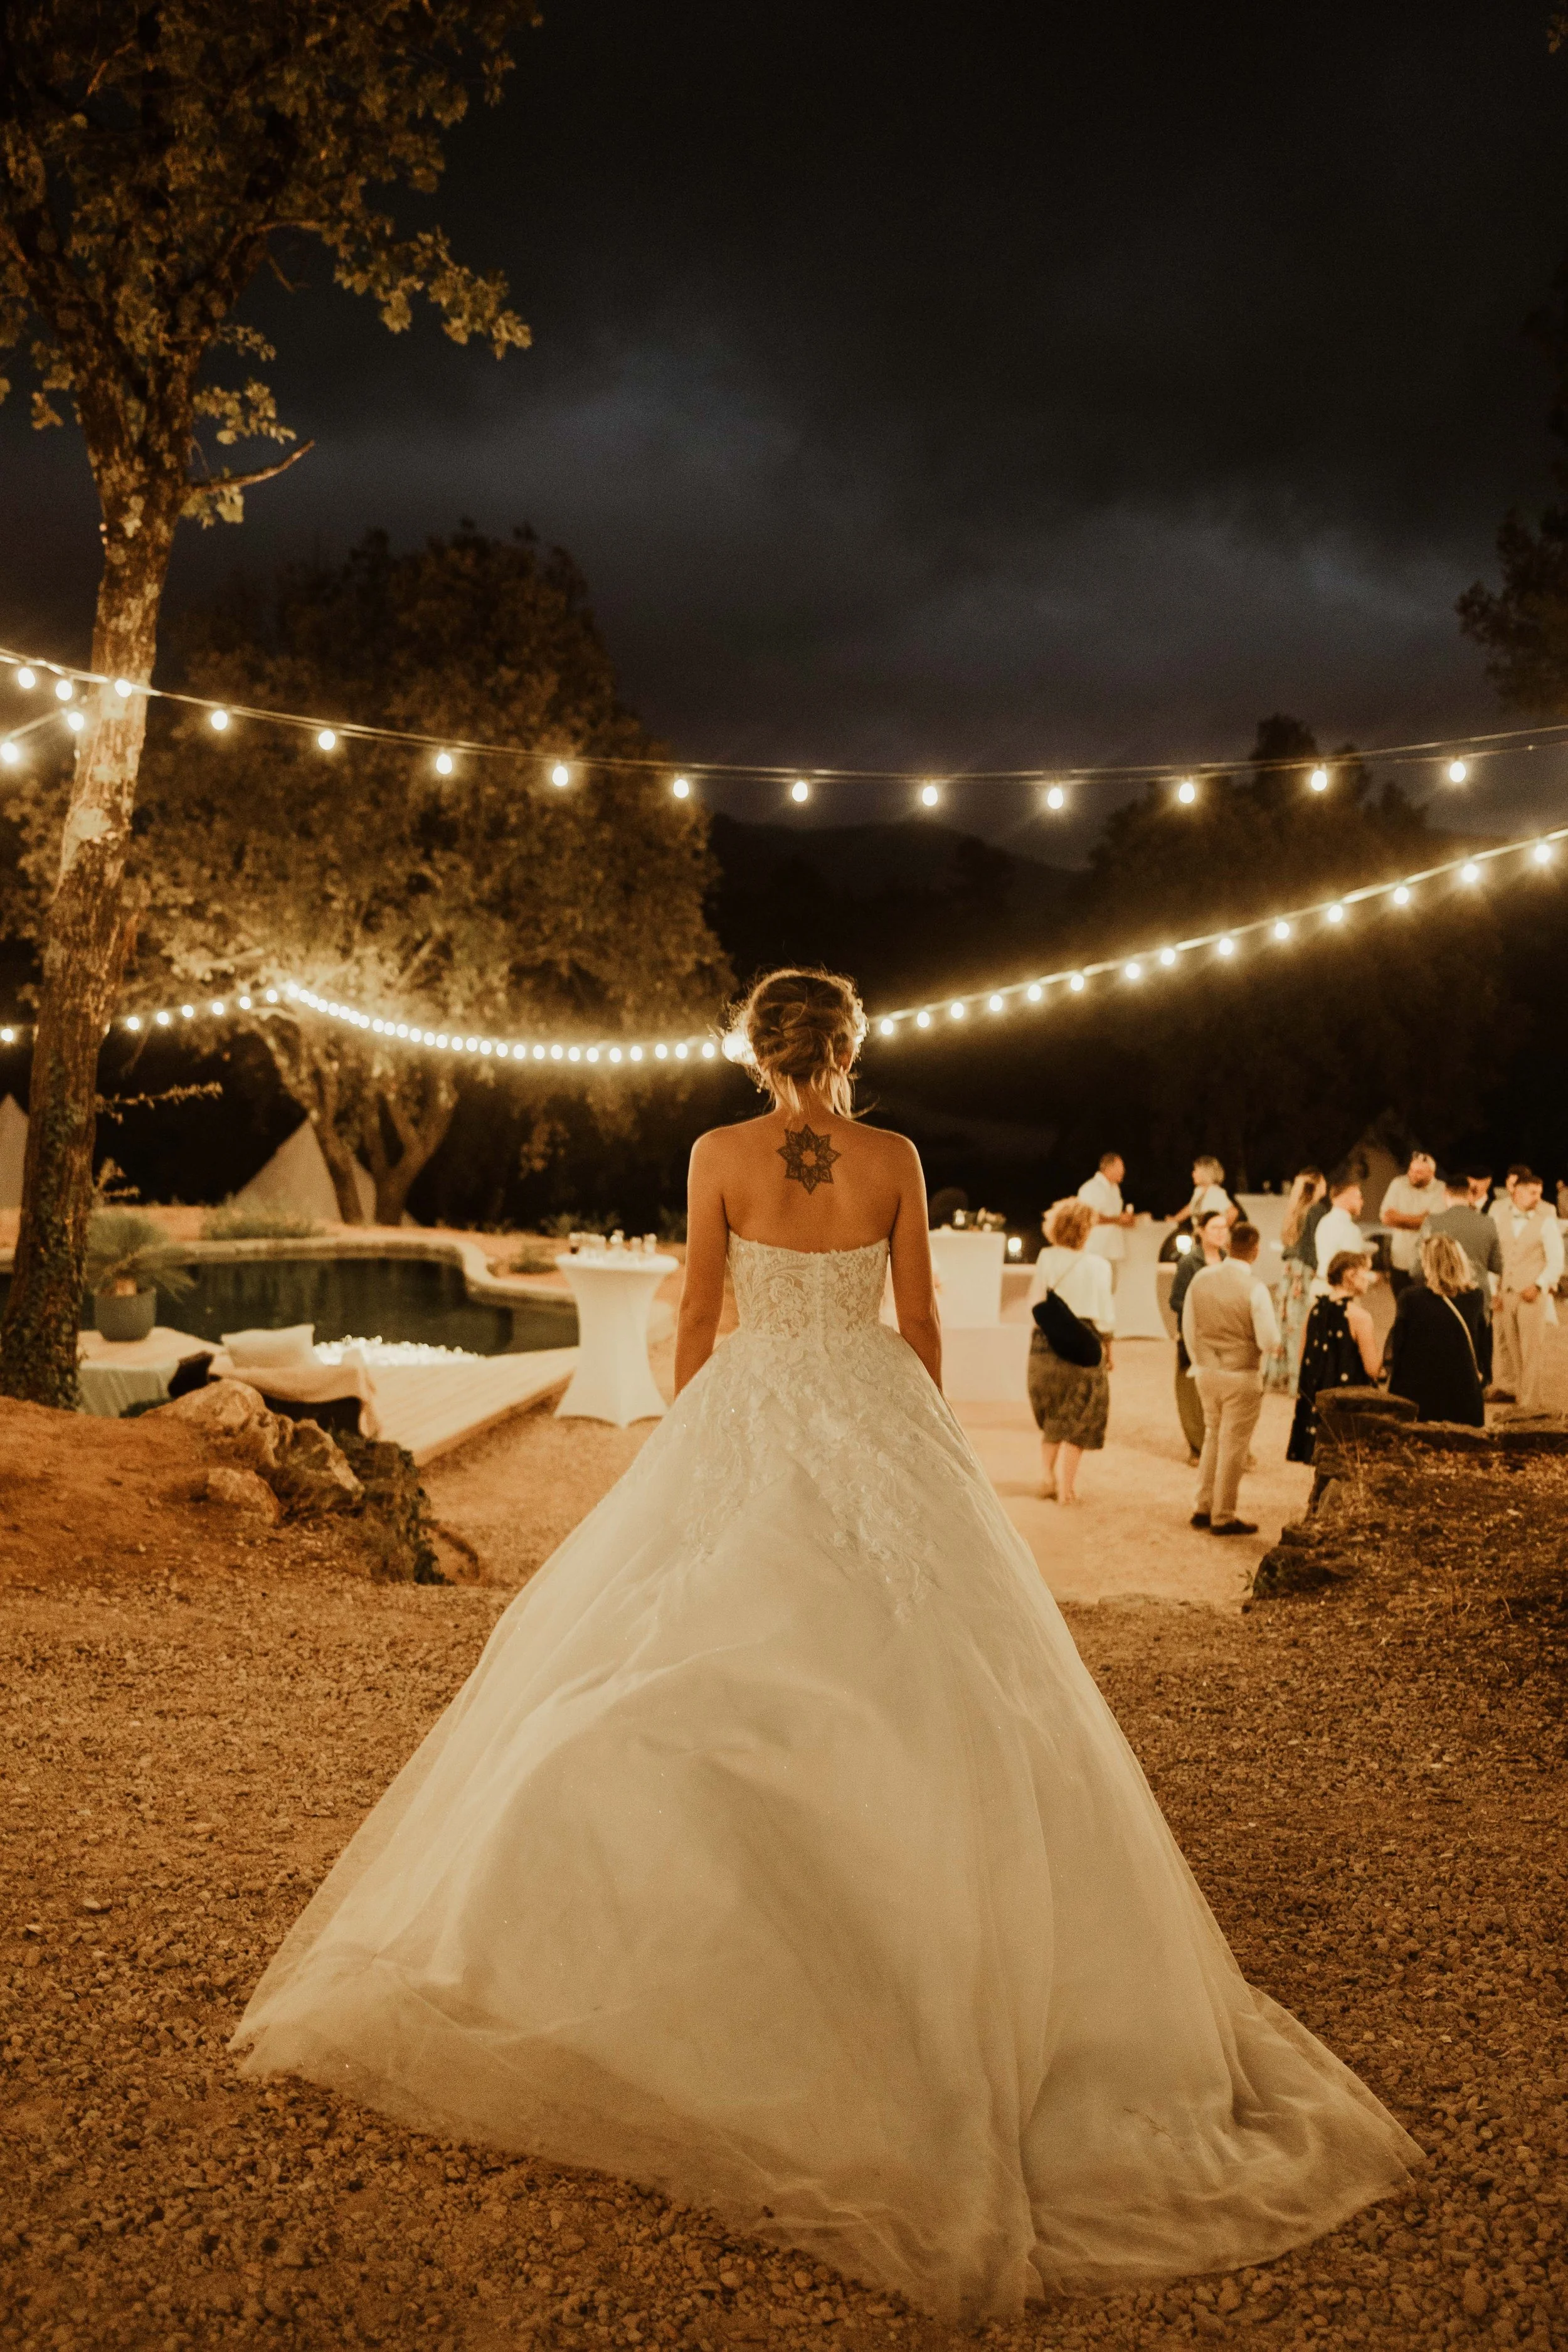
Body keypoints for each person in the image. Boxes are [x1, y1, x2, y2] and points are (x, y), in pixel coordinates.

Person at [233, 963, 1416, 2317]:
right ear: (849, 1048)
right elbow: (917, 1321)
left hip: (749, 1407)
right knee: (928, 1668)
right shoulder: (894, 1155)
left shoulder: (719, 1153)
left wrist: (693, 1442)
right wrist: (918, 1453)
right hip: (868, 1409)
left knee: (669, 1653)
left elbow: (694, 1313)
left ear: (753, 1049)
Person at [1183, 1221, 1280, 1536]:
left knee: (1213, 1435)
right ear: (1255, 1250)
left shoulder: (1201, 1279)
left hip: (1206, 1371)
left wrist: (1199, 1360)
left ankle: (1203, 1505)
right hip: (1241, 1373)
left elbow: (1188, 1326)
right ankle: (1223, 1514)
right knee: (1234, 1444)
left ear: (1228, 1246)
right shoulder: (1255, 1289)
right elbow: (1268, 1340)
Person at [1025, 1197, 1115, 1503]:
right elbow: (1105, 1313)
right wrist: (1110, 1349)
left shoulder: (1046, 1258)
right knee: (1082, 1413)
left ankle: (1045, 1475)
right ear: (1087, 1230)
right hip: (1084, 1341)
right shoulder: (1099, 1266)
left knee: (1053, 1412)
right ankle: (1067, 1488)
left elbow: (1035, 1303)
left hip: (1045, 1342)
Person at [1287, 1249, 1382, 1463]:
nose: (1370, 1278)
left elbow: (1303, 1355)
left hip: (1318, 1403)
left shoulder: (1315, 1309)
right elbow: (1372, 1368)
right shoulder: (1360, 1317)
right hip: (1348, 1406)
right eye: (1365, 1272)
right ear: (1350, 1275)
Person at [1383, 1234, 1485, 1427]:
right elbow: (1483, 1350)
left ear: (1428, 1264)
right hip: (1464, 1395)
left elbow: (1398, 1348)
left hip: (1418, 1395)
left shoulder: (1410, 1299)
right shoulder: (1475, 1298)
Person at [1414, 1169, 1502, 1381]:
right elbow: (1497, 1265)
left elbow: (1417, 1268)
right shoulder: (1487, 1223)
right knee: (1477, 1365)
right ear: (1470, 1195)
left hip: (1440, 1299)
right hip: (1478, 1299)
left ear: (1446, 1194)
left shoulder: (1432, 1222)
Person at [1491, 1168, 1565, 1412]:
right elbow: (1495, 1258)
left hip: (1532, 1294)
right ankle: (1521, 1398)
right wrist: (1495, 1291)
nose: (1538, 1198)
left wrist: (1539, 1285)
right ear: (1517, 1193)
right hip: (1507, 1292)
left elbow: (1557, 1260)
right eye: (1533, 1193)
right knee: (1513, 1352)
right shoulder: (1500, 1217)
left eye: (1540, 1193)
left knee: (1531, 1350)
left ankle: (1529, 1404)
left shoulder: (1545, 1221)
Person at [1170, 1208, 1232, 1459]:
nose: (1220, 1233)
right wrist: (1202, 1310)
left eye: (1224, 1228)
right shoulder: (1189, 1263)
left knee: (1224, 1393)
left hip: (1224, 1336)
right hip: (1194, 1336)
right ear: (1201, 1232)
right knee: (1191, 1394)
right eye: (1214, 1228)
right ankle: (1198, 1448)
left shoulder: (1228, 1259)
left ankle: (1226, 1446)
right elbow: (1176, 1300)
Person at [1263, 1167, 1326, 1393]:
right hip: (1306, 1272)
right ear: (1317, 1184)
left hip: (1290, 1271)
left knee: (1287, 1324)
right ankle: (1299, 1381)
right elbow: (1313, 1246)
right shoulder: (1316, 1211)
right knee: (1302, 1325)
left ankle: (1281, 1375)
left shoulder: (1294, 1211)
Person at [1377, 1149, 1442, 1296]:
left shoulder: (1441, 1189)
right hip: (1400, 1260)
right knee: (1402, 1306)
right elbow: (1386, 1218)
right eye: (1411, 1170)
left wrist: (1399, 1218)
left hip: (1427, 1264)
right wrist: (1420, 1219)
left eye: (1419, 1173)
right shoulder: (1398, 1184)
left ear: (1431, 1174)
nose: (1412, 1175)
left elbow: (1433, 1223)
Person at [1076, 1150, 1134, 1288]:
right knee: (1093, 1289)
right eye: (1121, 1168)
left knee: (1110, 1290)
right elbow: (1089, 1217)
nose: (1124, 1172)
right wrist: (1118, 1219)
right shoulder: (1091, 1188)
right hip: (1095, 1249)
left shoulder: (1115, 1189)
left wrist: (1127, 1219)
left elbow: (1114, 1217)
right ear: (1109, 1168)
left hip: (1111, 1250)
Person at [1311, 1168, 1365, 1293]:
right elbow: (1351, 1269)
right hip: (1338, 1289)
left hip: (1319, 1285)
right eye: (1358, 1197)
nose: (1362, 1202)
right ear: (1345, 1198)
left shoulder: (1324, 1222)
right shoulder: (1350, 1230)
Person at [1179, 1154, 1235, 1227]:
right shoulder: (1198, 1191)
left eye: (1196, 1171)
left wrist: (1221, 1229)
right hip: (1198, 1231)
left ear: (1205, 1173)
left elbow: (1233, 1213)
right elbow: (1190, 1208)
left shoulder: (1217, 1193)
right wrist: (1174, 1219)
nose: (1193, 1173)